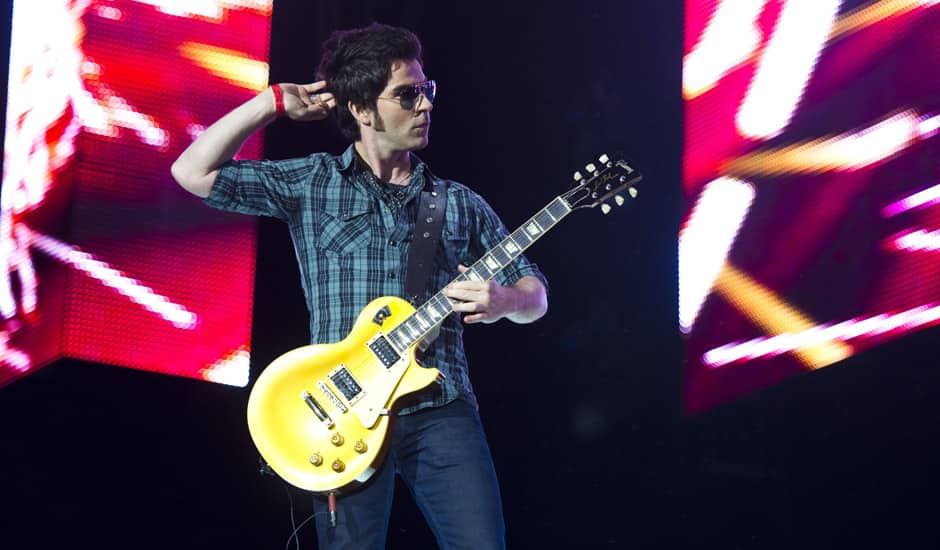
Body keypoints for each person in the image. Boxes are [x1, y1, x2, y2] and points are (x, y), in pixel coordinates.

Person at [171, 22, 548, 549]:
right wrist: (271, 103)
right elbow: (192, 172)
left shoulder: (458, 201)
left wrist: (506, 300)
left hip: (439, 404)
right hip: (339, 415)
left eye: (427, 91)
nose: (425, 106)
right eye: (407, 95)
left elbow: (535, 293)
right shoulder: (310, 183)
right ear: (362, 109)